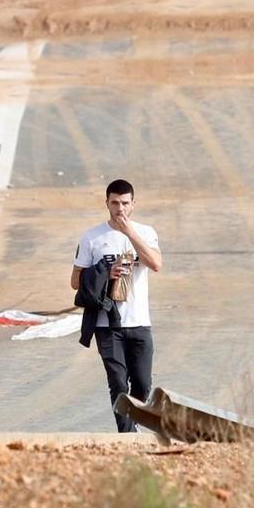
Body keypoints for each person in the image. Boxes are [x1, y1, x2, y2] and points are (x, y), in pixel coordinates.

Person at [71, 178, 163, 432]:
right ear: (107, 203)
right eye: (114, 203)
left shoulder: (145, 232)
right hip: (107, 323)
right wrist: (103, 273)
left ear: (133, 204)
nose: (119, 208)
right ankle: (127, 436)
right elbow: (75, 281)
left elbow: (155, 264)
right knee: (118, 382)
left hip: (139, 321)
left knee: (143, 384)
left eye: (124, 203)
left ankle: (132, 423)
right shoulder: (92, 237)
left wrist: (129, 233)